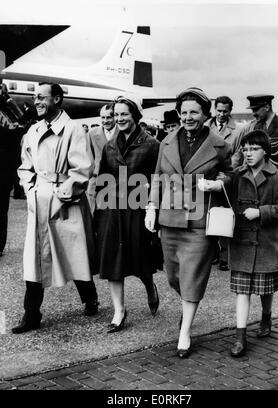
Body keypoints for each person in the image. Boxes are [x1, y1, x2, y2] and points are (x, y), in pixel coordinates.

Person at [145, 87, 232, 358]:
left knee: (192, 275)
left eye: (194, 112)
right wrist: (151, 206)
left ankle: (185, 332)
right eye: (184, 112)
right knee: (174, 275)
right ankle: (187, 307)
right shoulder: (167, 142)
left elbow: (230, 174)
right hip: (169, 219)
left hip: (198, 221)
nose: (187, 117)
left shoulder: (220, 145)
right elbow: (158, 177)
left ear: (205, 114)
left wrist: (218, 183)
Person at [12, 82, 99, 334]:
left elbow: (82, 169)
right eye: (34, 97)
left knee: (74, 252)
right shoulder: (33, 131)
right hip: (39, 200)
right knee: (35, 259)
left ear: (57, 99)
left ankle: (90, 297)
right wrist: (31, 190)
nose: (36, 102)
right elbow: (25, 167)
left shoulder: (73, 129)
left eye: (41, 97)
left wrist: (62, 193)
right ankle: (32, 314)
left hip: (65, 201)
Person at [94, 95, 162, 333]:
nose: (120, 118)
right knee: (113, 262)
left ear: (135, 116)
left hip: (138, 210)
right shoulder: (109, 146)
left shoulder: (151, 144)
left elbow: (158, 179)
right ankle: (119, 311)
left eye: (125, 114)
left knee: (142, 261)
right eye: (117, 114)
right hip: (113, 212)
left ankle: (150, 287)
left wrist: (152, 205)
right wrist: (99, 215)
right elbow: (103, 179)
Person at [229, 130, 278, 357]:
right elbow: (225, 188)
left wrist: (261, 212)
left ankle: (266, 316)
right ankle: (240, 337)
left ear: (266, 151)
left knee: (266, 289)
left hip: (266, 244)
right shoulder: (237, 175)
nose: (248, 153)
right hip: (243, 242)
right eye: (245, 149)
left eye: (253, 149)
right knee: (242, 292)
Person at [240, 94, 278, 207]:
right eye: (252, 109)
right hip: (258, 184)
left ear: (267, 107)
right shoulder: (256, 127)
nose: (253, 113)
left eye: (256, 109)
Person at [206, 96, 244, 271]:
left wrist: (222, 179)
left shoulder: (238, 131)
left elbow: (236, 158)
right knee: (208, 215)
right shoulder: (206, 127)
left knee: (225, 217)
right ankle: (212, 253)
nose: (221, 114)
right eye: (218, 110)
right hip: (207, 179)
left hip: (227, 181)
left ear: (230, 111)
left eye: (225, 111)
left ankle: (225, 256)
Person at [0, 83, 25, 256]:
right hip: (5, 169)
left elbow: (22, 119)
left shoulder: (7, 111)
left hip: (3, 171)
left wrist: (8, 99)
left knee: (1, 211)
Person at [87, 104, 118, 212]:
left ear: (115, 117)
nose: (105, 121)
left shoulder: (122, 133)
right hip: (96, 180)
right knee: (92, 214)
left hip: (116, 181)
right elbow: (89, 157)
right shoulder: (92, 133)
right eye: (102, 117)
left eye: (109, 117)